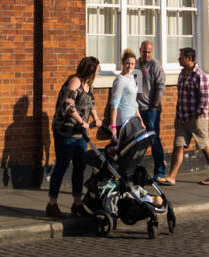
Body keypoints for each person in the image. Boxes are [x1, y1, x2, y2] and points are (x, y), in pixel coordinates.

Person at [46, 56, 100, 218]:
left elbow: (91, 104)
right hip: (65, 131)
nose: (98, 72)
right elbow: (68, 104)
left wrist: (96, 118)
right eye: (97, 69)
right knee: (62, 165)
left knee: (80, 166)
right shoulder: (75, 81)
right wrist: (82, 121)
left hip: (79, 133)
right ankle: (52, 204)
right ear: (90, 69)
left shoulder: (89, 85)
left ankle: (77, 204)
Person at [160, 48, 209, 186]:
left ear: (189, 58)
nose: (179, 59)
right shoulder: (182, 73)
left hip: (197, 118)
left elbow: (205, 98)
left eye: (181, 57)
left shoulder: (199, 75)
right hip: (182, 117)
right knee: (178, 146)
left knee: (204, 145)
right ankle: (171, 177)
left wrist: (197, 115)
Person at [135, 40, 167, 179]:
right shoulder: (135, 64)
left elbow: (160, 86)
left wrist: (154, 105)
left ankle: (160, 172)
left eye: (149, 52)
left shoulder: (155, 65)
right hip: (137, 110)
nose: (147, 54)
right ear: (140, 49)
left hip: (151, 110)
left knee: (154, 140)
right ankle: (134, 173)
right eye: (144, 51)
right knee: (136, 141)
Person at [105, 49, 144, 135]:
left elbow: (134, 102)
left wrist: (140, 121)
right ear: (122, 63)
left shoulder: (132, 78)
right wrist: (113, 126)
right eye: (128, 63)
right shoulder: (119, 80)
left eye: (133, 64)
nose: (130, 66)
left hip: (133, 121)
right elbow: (114, 104)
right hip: (123, 122)